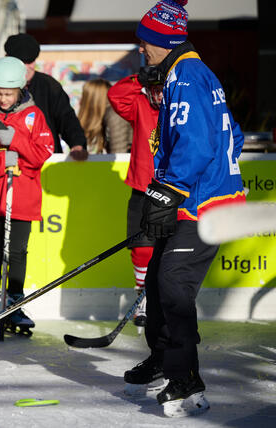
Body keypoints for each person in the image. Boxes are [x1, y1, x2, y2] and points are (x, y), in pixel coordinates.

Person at [123, 0, 246, 417]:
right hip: (196, 199)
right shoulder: (193, 72)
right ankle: (162, 359)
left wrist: (169, 190)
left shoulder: (187, 77)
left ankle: (184, 379)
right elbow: (235, 134)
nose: (142, 51)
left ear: (163, 40)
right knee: (159, 278)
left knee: (174, 286)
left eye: (145, 44)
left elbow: (196, 144)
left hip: (205, 206)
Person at [0, 57, 55, 337]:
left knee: (17, 251)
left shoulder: (34, 116)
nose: (3, 99)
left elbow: (42, 153)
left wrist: (15, 140)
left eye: (8, 93)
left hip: (22, 197)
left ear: (20, 90)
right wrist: (1, 161)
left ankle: (15, 303)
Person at [0, 33, 87, 160]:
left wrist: (77, 143)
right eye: (20, 63)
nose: (26, 68)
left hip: (44, 160)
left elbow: (67, 119)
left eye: (29, 61)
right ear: (7, 60)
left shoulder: (49, 86)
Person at [108, 68, 161, 326]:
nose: (160, 95)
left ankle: (165, 299)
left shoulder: (182, 109)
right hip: (142, 188)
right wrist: (140, 79)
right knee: (141, 248)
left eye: (164, 89)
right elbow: (116, 95)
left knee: (171, 251)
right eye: (156, 89)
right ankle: (143, 298)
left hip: (174, 191)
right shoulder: (140, 104)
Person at [78, 79, 131, 154]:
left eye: (84, 96)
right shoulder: (108, 116)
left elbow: (119, 156)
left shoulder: (115, 115)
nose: (80, 101)